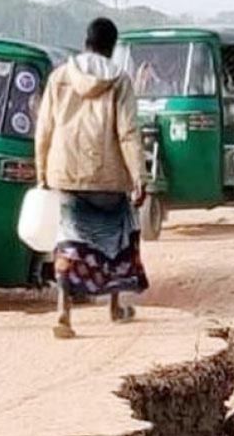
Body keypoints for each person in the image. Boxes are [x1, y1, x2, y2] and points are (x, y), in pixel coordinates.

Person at [35, 17, 149, 340]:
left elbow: (44, 130)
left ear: (86, 42)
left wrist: (42, 173)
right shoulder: (120, 81)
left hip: (66, 175)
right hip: (109, 178)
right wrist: (139, 177)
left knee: (69, 244)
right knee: (115, 241)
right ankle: (114, 307)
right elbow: (128, 133)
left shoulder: (59, 77)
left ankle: (64, 313)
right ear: (112, 47)